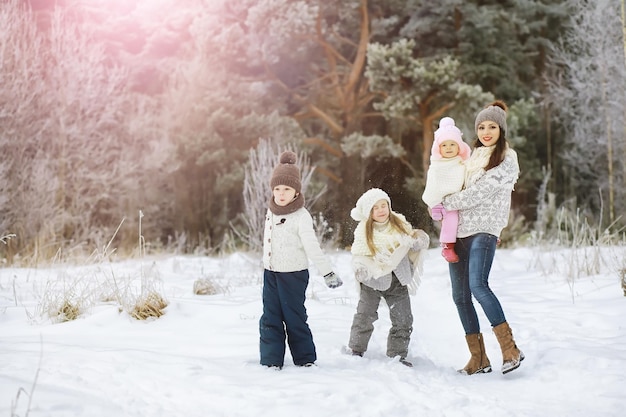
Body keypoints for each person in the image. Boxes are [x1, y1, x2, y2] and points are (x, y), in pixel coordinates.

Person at [432, 101, 525, 375]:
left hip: (485, 230)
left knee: (478, 286)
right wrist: (436, 201)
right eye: (481, 127)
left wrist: (447, 202)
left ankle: (510, 350)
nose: (486, 131)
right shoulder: (470, 158)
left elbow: (480, 192)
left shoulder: (507, 158)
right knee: (460, 297)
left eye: (492, 126)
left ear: (501, 129)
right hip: (459, 232)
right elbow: (450, 182)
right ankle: (479, 358)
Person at [259, 150, 343, 370]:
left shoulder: (301, 216)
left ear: (296, 191)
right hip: (271, 273)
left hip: (293, 275)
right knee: (270, 317)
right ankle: (271, 360)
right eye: (277, 189)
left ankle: (305, 359)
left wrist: (327, 272)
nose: (281, 193)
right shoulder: (271, 212)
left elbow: (312, 247)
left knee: (294, 317)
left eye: (286, 189)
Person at [347, 188, 430, 367]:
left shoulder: (399, 222)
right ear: (369, 213)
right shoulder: (363, 231)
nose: (381, 210)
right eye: (375, 208)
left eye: (383, 205)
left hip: (398, 280)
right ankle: (356, 349)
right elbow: (359, 255)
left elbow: (409, 242)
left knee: (404, 319)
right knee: (365, 315)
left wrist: (418, 242)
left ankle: (398, 355)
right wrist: (361, 269)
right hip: (373, 281)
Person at [422, 117, 472, 263]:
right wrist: (434, 203)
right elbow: (432, 185)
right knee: (451, 217)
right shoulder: (437, 165)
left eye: (452, 144)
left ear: (459, 147)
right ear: (439, 148)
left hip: (463, 198)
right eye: (444, 145)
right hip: (445, 202)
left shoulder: (463, 163)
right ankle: (447, 245)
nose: (449, 148)